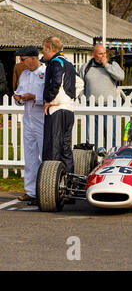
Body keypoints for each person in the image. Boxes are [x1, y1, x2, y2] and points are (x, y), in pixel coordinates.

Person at [41, 36, 83, 174]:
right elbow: (80, 83)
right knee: (65, 149)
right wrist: (69, 97)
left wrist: (48, 99)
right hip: (68, 109)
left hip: (56, 109)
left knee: (52, 148)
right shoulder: (68, 62)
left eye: (43, 49)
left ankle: (51, 187)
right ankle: (69, 182)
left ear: (50, 49)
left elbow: (57, 81)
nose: (42, 52)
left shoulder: (55, 62)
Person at [13, 46, 46, 203]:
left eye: (23, 59)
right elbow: (19, 92)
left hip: (43, 119)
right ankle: (31, 191)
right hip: (28, 119)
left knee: (45, 155)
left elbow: (49, 95)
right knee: (30, 156)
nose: (21, 62)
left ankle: (45, 190)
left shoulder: (45, 72)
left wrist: (34, 96)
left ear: (34, 58)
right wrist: (18, 98)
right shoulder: (25, 74)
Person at [79, 44, 124, 147]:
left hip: (109, 106)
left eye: (104, 53)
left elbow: (121, 77)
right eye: (100, 54)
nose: (103, 56)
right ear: (93, 54)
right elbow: (80, 85)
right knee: (91, 138)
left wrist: (106, 65)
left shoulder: (113, 65)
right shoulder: (86, 67)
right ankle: (91, 160)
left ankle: (111, 159)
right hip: (91, 106)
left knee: (111, 136)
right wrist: (83, 98)